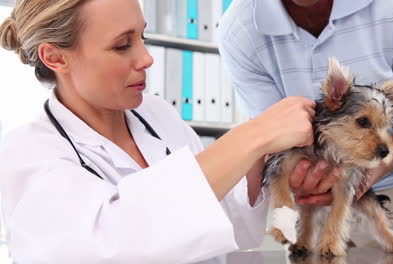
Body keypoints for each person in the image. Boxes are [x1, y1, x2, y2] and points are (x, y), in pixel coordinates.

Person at [0, 0, 321, 263]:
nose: (147, 58)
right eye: (122, 45)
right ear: (55, 57)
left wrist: (257, 161)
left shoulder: (157, 114)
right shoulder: (26, 155)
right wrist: (253, 135)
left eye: (143, 37)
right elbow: (118, 244)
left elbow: (219, 219)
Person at [218, 0, 393, 246]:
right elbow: (271, 138)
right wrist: (300, 186)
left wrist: (364, 172)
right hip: (304, 195)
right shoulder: (240, 28)